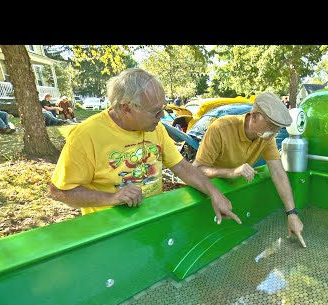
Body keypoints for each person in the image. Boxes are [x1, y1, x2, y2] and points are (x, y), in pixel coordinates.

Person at [49, 68, 241, 226]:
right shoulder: (86, 135)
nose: (161, 117)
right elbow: (59, 191)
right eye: (155, 112)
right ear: (126, 108)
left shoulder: (155, 128)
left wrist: (215, 193)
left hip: (151, 220)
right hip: (109, 229)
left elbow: (182, 167)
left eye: (162, 109)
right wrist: (112, 198)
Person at [192, 92, 306, 248]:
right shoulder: (220, 128)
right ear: (254, 116)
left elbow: (278, 172)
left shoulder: (266, 137)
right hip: (206, 196)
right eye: (271, 127)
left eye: (277, 129)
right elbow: (196, 170)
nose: (274, 133)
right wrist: (231, 172)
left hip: (233, 196)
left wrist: (292, 213)